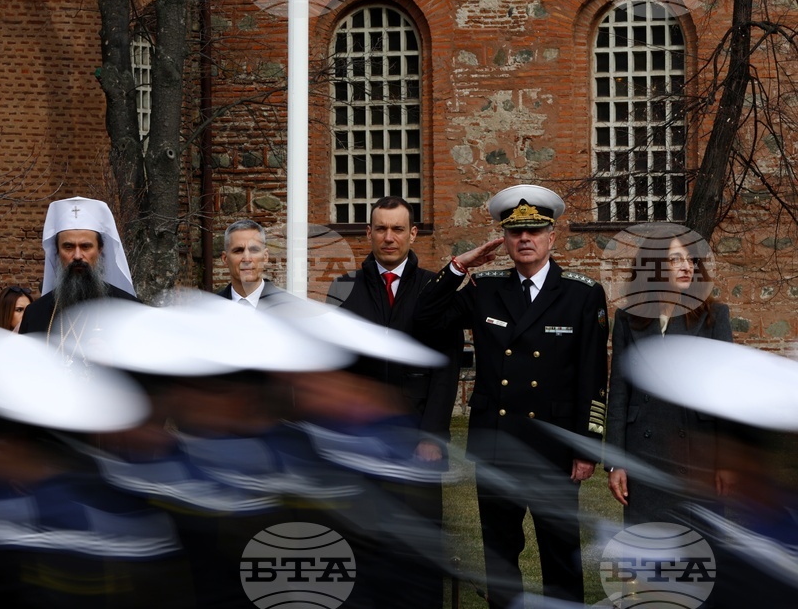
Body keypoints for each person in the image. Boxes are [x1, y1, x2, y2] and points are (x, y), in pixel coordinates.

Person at [416, 184, 609, 609]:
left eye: (535, 231)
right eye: (516, 233)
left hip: (554, 446)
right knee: (500, 553)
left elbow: (594, 376)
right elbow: (424, 318)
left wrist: (587, 447)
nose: (525, 240)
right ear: (503, 239)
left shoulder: (581, 293)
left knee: (560, 552)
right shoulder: (485, 288)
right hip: (496, 442)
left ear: (551, 237)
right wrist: (456, 267)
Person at [325, 195, 463, 609]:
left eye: (398, 228)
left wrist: (431, 436)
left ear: (413, 233)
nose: (389, 237)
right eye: (381, 228)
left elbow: (446, 369)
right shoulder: (343, 288)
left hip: (417, 437)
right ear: (368, 233)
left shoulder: (435, 288)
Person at [605, 224, 735, 526]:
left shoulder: (715, 317)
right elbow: (619, 394)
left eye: (690, 260)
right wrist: (615, 464)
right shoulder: (629, 318)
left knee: (701, 555)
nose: (687, 266)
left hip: (698, 452)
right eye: (676, 259)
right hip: (644, 452)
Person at [19, 196, 139, 354]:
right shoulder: (35, 313)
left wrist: (115, 359)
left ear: (100, 250)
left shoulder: (129, 310)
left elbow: (149, 375)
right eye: (68, 247)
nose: (77, 256)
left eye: (85, 246)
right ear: (57, 252)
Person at [215, 219, 291, 308]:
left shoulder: (290, 308)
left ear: (265, 257)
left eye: (254, 250)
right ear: (225, 259)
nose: (247, 259)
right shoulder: (210, 311)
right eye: (238, 251)